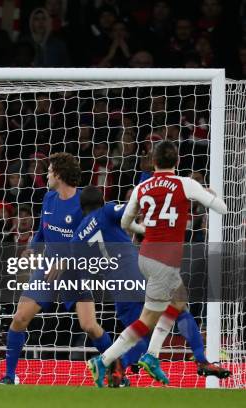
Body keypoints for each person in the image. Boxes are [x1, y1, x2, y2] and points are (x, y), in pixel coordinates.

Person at [87, 141, 228, 387]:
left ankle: (153, 356)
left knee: (178, 301)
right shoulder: (186, 184)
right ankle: (105, 360)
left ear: (153, 162)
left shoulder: (142, 187)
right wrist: (213, 195)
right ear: (178, 161)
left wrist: (146, 230)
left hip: (146, 256)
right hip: (164, 261)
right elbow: (222, 209)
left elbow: (125, 223)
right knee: (146, 321)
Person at [0, 153, 112, 384]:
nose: (46, 175)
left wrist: (67, 261)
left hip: (77, 272)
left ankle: (116, 369)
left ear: (59, 175)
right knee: (20, 318)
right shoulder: (49, 198)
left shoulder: (84, 203)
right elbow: (42, 229)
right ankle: (9, 376)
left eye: (49, 171)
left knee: (89, 326)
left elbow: (92, 244)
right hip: (48, 267)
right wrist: (31, 247)